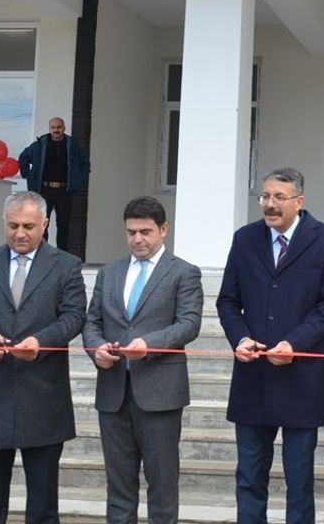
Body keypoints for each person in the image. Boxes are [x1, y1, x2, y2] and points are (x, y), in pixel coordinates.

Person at [0, 191, 87, 524]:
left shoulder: (66, 265)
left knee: (42, 506)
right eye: (12, 226)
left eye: (28, 226)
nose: (20, 234)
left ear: (45, 224)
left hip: (44, 397)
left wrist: (42, 340)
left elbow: (74, 316)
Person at [216, 168, 324, 524]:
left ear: (299, 202)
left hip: (302, 376)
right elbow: (227, 301)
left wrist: (294, 343)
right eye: (265, 197)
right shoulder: (245, 239)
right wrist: (240, 338)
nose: (270, 205)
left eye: (278, 197)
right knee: (249, 477)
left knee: (300, 480)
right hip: (252, 375)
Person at [82, 196, 203, 524]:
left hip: (160, 393)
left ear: (163, 230)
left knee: (162, 486)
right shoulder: (109, 273)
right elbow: (91, 322)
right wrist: (97, 350)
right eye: (131, 232)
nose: (137, 239)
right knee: (118, 486)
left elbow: (189, 324)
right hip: (113, 391)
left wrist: (147, 345)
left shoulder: (184, 273)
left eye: (145, 232)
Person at [17, 116, 90, 256]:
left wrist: (79, 180)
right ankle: (42, 254)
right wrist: (27, 174)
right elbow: (23, 157)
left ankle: (62, 256)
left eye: (59, 127)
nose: (56, 130)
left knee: (63, 225)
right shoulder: (40, 144)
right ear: (49, 128)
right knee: (42, 224)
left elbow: (85, 164)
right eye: (53, 127)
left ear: (64, 128)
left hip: (64, 191)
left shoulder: (72, 145)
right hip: (44, 190)